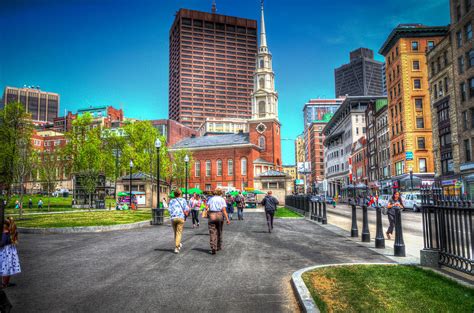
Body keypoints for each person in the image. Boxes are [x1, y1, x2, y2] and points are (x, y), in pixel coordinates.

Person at [205, 189, 230, 255]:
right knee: (219, 231)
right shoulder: (222, 199)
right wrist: (227, 219)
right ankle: (218, 246)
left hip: (212, 215)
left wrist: (207, 212)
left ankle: (213, 246)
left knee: (212, 232)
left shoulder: (210, 199)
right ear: (220, 193)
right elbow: (224, 210)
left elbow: (206, 207)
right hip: (219, 215)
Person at [0, 217, 21, 288]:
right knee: (8, 267)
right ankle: (6, 282)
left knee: (5, 268)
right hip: (10, 252)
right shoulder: (11, 232)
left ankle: (4, 284)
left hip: (5, 253)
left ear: (4, 226)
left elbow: (2, 243)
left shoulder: (5, 234)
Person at [168, 189, 190, 254]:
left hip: (173, 218)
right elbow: (186, 209)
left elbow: (169, 209)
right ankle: (177, 247)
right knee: (179, 232)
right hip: (180, 217)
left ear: (174, 194)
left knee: (175, 232)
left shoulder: (171, 201)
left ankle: (178, 243)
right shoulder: (183, 200)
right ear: (180, 194)